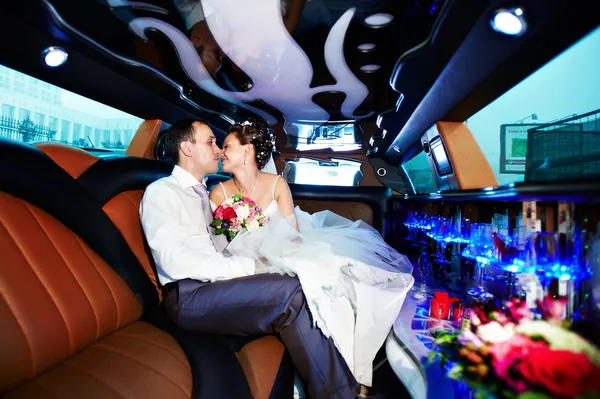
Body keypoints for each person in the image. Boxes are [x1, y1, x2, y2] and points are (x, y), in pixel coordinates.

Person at [140, 119, 359, 399]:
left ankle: (337, 387)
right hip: (187, 296)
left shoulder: (205, 196)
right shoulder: (162, 192)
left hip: (210, 287)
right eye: (210, 142)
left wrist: (258, 261)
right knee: (290, 293)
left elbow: (221, 247)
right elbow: (174, 260)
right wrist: (247, 267)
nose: (218, 150)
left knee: (295, 281)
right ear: (187, 148)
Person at [209, 121, 415, 393]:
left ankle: (354, 373)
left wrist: (270, 252)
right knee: (313, 282)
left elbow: (292, 235)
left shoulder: (277, 184)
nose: (221, 152)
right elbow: (221, 245)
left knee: (330, 283)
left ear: (247, 152)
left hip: (286, 250)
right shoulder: (218, 193)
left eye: (227, 147)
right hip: (243, 263)